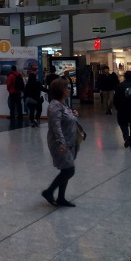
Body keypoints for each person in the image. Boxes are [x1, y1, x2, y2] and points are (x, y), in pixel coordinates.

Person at [41, 78, 79, 208]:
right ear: (60, 90)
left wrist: (74, 114)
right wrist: (61, 143)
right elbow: (55, 126)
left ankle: (61, 197)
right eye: (66, 87)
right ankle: (49, 192)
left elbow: (66, 118)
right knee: (69, 170)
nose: (69, 89)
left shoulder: (63, 104)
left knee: (65, 169)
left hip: (70, 141)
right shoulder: (54, 106)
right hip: (61, 142)